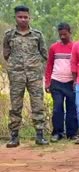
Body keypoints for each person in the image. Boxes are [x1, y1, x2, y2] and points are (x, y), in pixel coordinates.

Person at [3, 5, 48, 148]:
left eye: (25, 17)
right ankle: (14, 137)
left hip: (34, 75)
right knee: (15, 106)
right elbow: (6, 53)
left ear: (29, 17)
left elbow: (44, 53)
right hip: (16, 75)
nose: (23, 19)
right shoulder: (9, 35)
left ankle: (40, 135)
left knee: (38, 104)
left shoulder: (37, 35)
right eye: (20, 17)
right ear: (15, 18)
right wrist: (15, 66)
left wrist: (35, 66)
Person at [45, 23, 78, 142]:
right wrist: (47, 82)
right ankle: (57, 132)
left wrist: (77, 81)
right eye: (61, 35)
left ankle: (72, 133)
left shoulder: (75, 47)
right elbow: (49, 65)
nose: (63, 37)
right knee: (57, 108)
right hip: (56, 81)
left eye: (65, 34)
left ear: (70, 33)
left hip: (71, 82)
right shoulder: (54, 47)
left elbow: (78, 65)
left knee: (72, 108)